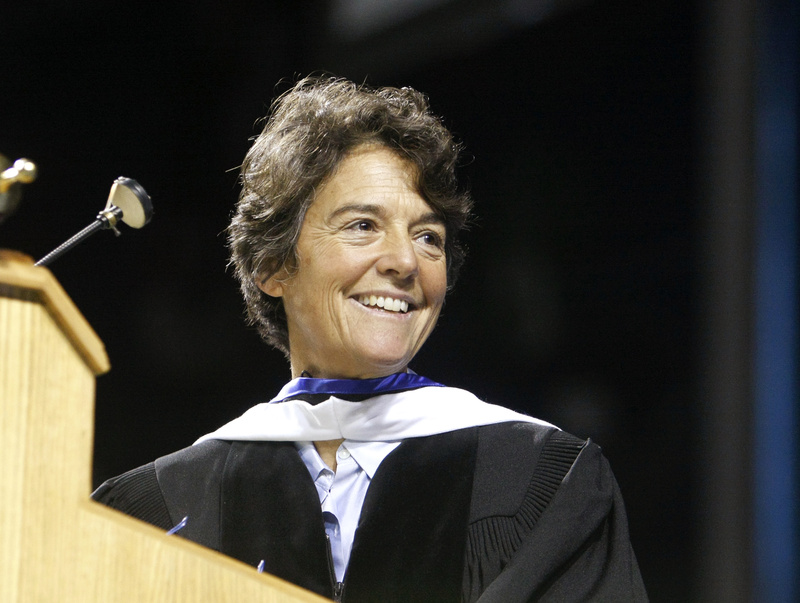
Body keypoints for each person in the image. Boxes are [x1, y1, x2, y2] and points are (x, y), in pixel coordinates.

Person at [92, 75, 647, 602]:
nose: (406, 261)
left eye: (428, 237)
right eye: (363, 226)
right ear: (273, 265)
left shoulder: (540, 480)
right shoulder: (155, 512)